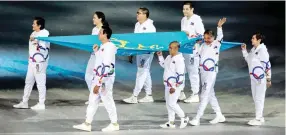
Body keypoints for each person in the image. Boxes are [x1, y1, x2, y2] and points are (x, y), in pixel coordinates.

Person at [73, 26, 119, 132]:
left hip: (104, 79)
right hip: (98, 78)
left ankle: (114, 123)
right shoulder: (103, 46)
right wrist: (97, 51)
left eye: (100, 32)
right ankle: (87, 123)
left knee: (107, 100)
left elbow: (107, 66)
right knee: (92, 101)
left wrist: (99, 83)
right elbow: (100, 61)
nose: (98, 34)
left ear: (105, 34)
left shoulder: (109, 47)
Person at [189, 18, 227, 126]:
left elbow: (220, 37)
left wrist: (219, 27)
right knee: (210, 94)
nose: (207, 40)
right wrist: (196, 44)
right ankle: (219, 115)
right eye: (205, 38)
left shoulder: (216, 44)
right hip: (203, 72)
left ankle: (197, 118)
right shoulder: (202, 45)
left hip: (211, 72)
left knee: (204, 94)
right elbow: (196, 54)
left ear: (213, 37)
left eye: (209, 38)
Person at [13, 17, 50, 110]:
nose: (32, 25)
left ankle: (41, 104)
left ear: (39, 25)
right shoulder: (33, 33)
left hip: (40, 63)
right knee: (28, 82)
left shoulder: (45, 33)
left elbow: (43, 47)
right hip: (32, 62)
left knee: (40, 83)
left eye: (34, 24)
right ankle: (24, 102)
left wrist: (35, 39)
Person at [123, 7, 156, 104]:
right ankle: (149, 95)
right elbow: (134, 40)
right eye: (137, 13)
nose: (137, 14)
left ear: (145, 15)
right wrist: (131, 53)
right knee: (145, 72)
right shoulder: (137, 25)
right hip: (138, 52)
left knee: (141, 72)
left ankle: (135, 96)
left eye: (139, 13)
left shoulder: (150, 27)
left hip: (146, 52)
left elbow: (151, 42)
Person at [157, 41, 189, 129]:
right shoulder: (168, 57)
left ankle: (184, 117)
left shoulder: (179, 59)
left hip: (174, 86)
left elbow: (181, 75)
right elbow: (164, 65)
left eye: (172, 47)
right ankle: (171, 122)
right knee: (168, 104)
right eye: (169, 47)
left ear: (177, 48)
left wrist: (174, 87)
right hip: (167, 84)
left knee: (172, 103)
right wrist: (160, 56)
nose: (170, 49)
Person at [241, 33, 272, 126]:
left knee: (259, 98)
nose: (251, 40)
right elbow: (248, 60)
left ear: (259, 40)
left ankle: (258, 119)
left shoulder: (262, 50)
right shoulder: (253, 50)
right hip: (253, 78)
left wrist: (268, 79)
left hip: (260, 78)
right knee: (256, 98)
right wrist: (244, 50)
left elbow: (267, 65)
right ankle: (260, 117)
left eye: (253, 38)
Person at [180, 1, 205, 103]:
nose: (184, 11)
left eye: (187, 9)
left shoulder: (197, 19)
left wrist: (189, 34)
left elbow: (201, 35)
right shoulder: (183, 19)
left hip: (193, 50)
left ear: (192, 9)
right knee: (181, 70)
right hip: (183, 49)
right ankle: (180, 92)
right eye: (183, 9)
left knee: (192, 72)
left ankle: (195, 94)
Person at [85, 11, 109, 106]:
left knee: (100, 77)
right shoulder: (94, 29)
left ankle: (102, 99)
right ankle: (95, 96)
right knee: (88, 76)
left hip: (101, 56)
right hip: (93, 55)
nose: (93, 19)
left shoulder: (105, 30)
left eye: (95, 17)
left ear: (100, 19)